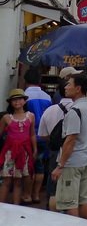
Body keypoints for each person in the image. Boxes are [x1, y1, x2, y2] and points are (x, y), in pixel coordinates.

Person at [51, 73, 87, 219]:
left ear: (78, 88)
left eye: (69, 84)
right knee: (84, 199)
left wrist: (60, 166)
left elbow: (70, 139)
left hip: (72, 162)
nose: (66, 87)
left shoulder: (75, 111)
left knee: (69, 203)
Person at [38, 69, 79, 210]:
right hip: (76, 152)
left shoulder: (50, 110)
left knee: (53, 186)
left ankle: (51, 213)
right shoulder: (81, 108)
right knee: (72, 189)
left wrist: (53, 139)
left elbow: (42, 135)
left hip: (54, 150)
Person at [0, 89, 36, 205]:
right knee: (6, 180)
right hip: (10, 153)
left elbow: (32, 134)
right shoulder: (6, 118)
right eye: (14, 100)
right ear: (10, 103)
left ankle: (16, 207)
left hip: (24, 152)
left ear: (24, 101)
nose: (17, 102)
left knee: (18, 181)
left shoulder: (30, 116)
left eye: (19, 99)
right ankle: (2, 206)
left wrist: (35, 149)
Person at [23, 66, 52, 204]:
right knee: (40, 166)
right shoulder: (47, 97)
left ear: (26, 80)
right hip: (44, 136)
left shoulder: (24, 97)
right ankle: (36, 195)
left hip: (29, 136)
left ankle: (27, 194)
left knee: (28, 167)